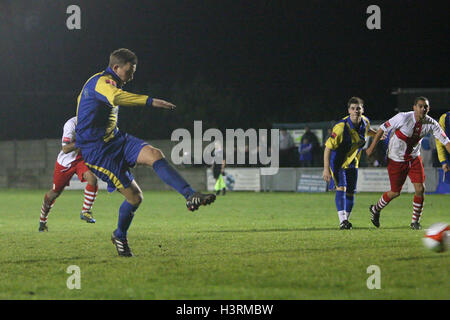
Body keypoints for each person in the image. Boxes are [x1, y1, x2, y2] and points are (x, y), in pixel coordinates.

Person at [75, 48, 216, 257]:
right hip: (98, 152)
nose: (132, 75)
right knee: (135, 198)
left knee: (155, 154)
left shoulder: (106, 81)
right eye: (129, 70)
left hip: (115, 139)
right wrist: (151, 101)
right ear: (116, 68)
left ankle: (190, 195)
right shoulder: (102, 83)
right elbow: (115, 98)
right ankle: (119, 235)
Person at [366, 97, 450, 229]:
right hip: (396, 159)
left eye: (425, 107)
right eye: (420, 106)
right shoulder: (402, 118)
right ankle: (375, 209)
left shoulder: (431, 123)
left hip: (414, 158)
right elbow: (382, 128)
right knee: (395, 192)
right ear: (414, 107)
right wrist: (371, 148)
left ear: (429, 109)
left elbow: (446, 142)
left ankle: (415, 222)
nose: (423, 109)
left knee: (420, 189)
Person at [322, 97, 378, 230]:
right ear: (349, 110)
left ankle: (346, 220)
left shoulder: (365, 122)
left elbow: (366, 132)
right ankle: (342, 221)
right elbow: (328, 147)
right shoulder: (341, 128)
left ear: (362, 110)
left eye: (358, 108)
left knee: (351, 191)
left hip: (353, 160)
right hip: (338, 161)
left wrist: (378, 134)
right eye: (353, 108)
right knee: (342, 187)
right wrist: (326, 169)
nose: (356, 111)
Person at [39, 117, 98, 232]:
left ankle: (85, 211)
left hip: (80, 159)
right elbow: (65, 148)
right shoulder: (70, 124)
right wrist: (84, 140)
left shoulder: (92, 121)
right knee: (54, 193)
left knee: (92, 179)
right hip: (65, 163)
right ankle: (42, 220)